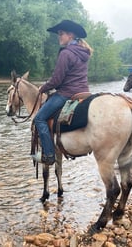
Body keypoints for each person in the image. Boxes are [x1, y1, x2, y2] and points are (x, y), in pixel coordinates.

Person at [33, 20, 93, 165]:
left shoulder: (66, 53)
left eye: (61, 34)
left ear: (70, 35)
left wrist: (43, 88)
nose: (58, 37)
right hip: (84, 91)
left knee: (39, 119)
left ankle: (48, 155)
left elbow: (57, 80)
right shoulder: (83, 52)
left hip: (67, 93)